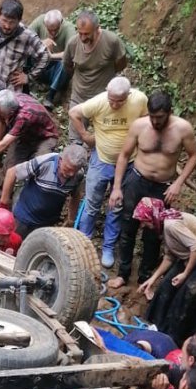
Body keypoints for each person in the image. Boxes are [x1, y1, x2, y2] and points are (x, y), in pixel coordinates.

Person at [108, 92, 196, 289]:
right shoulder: (140, 126)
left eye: (159, 117)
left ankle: (144, 277)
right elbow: (124, 155)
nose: (155, 121)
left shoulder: (182, 129)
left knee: (154, 233)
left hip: (162, 186)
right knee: (128, 227)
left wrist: (178, 183)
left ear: (169, 113)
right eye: (152, 116)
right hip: (137, 180)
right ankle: (123, 273)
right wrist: (117, 187)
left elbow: (194, 155)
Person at [71, 77, 148, 269]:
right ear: (107, 92)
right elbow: (74, 112)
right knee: (92, 203)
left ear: (128, 96)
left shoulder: (139, 100)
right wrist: (84, 135)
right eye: (111, 99)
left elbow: (147, 119)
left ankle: (108, 247)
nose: (114, 104)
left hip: (129, 161)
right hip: (102, 159)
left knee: (117, 206)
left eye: (119, 101)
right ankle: (84, 242)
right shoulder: (98, 102)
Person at [135, 199, 196, 344]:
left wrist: (185, 274)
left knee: (187, 294)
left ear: (152, 216)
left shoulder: (171, 225)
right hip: (191, 254)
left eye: (144, 221)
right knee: (166, 286)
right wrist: (152, 279)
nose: (142, 225)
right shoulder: (163, 225)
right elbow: (169, 257)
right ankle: (157, 328)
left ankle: (175, 338)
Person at [61, 10, 127, 138]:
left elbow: (121, 62)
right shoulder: (73, 44)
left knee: (107, 136)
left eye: (87, 34)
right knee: (75, 138)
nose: (83, 38)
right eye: (80, 33)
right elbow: (67, 66)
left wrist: (109, 73)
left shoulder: (111, 41)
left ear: (97, 29)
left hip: (104, 97)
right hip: (80, 95)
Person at [0, 144, 87, 236]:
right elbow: (12, 173)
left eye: (74, 170)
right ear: (61, 160)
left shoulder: (78, 175)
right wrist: (4, 202)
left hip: (47, 224)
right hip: (24, 218)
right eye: (68, 169)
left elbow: (75, 195)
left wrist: (71, 220)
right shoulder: (45, 162)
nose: (71, 174)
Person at [0, 88, 58, 178]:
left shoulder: (24, 116)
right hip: (25, 134)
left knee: (39, 166)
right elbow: (1, 124)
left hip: (45, 137)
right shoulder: (8, 99)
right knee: (9, 166)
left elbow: (4, 144)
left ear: (10, 113)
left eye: (1, 114)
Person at [0, 0, 50, 90]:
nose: (7, 26)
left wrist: (28, 77)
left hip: (10, 90)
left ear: (19, 20)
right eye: (4, 20)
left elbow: (45, 56)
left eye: (12, 22)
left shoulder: (27, 36)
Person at [28, 9, 75, 106]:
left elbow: (71, 53)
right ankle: (28, 85)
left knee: (65, 63)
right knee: (25, 53)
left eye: (56, 30)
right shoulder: (40, 20)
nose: (53, 33)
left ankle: (51, 96)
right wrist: (41, 43)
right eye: (50, 30)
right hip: (40, 62)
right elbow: (25, 38)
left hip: (56, 69)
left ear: (61, 23)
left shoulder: (69, 28)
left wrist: (52, 56)